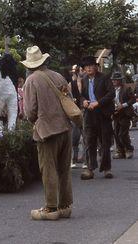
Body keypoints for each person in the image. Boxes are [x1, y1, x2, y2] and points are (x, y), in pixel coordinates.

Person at [22, 46, 73, 221]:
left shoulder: (31, 80)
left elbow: (30, 111)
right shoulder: (58, 76)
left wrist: (35, 121)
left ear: (30, 65)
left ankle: (50, 208)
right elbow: (70, 100)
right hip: (65, 128)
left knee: (48, 169)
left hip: (47, 131)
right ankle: (65, 206)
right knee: (64, 169)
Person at [79, 56, 114, 180]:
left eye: (91, 65)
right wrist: (83, 101)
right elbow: (81, 95)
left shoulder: (104, 78)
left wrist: (98, 103)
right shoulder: (83, 79)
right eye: (86, 66)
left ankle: (106, 168)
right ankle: (90, 168)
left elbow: (111, 94)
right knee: (89, 142)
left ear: (96, 66)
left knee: (105, 143)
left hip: (103, 114)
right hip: (89, 114)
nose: (88, 68)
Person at [111, 72, 135, 159]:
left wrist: (123, 105)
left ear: (120, 80)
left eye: (115, 80)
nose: (113, 81)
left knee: (123, 134)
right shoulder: (111, 89)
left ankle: (129, 149)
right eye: (113, 80)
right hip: (116, 114)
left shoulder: (126, 88)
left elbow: (133, 100)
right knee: (116, 133)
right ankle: (120, 151)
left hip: (125, 114)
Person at [69, 65, 87, 169]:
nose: (77, 72)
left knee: (85, 137)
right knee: (74, 138)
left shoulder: (86, 82)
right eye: (76, 71)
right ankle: (73, 159)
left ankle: (85, 160)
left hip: (84, 111)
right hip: (75, 113)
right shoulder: (71, 84)